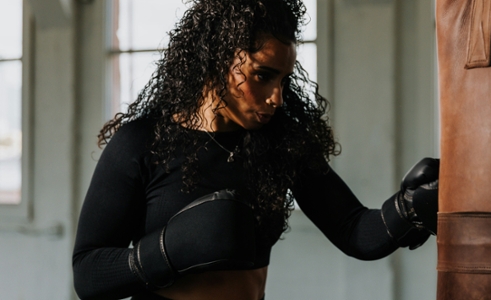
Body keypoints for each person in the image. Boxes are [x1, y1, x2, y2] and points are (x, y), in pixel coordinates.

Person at [72, 0, 440, 299]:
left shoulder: (280, 142)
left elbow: (355, 231)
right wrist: (169, 250)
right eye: (263, 76)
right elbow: (88, 274)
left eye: (283, 79)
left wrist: (407, 209)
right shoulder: (140, 143)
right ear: (218, 61)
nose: (277, 97)